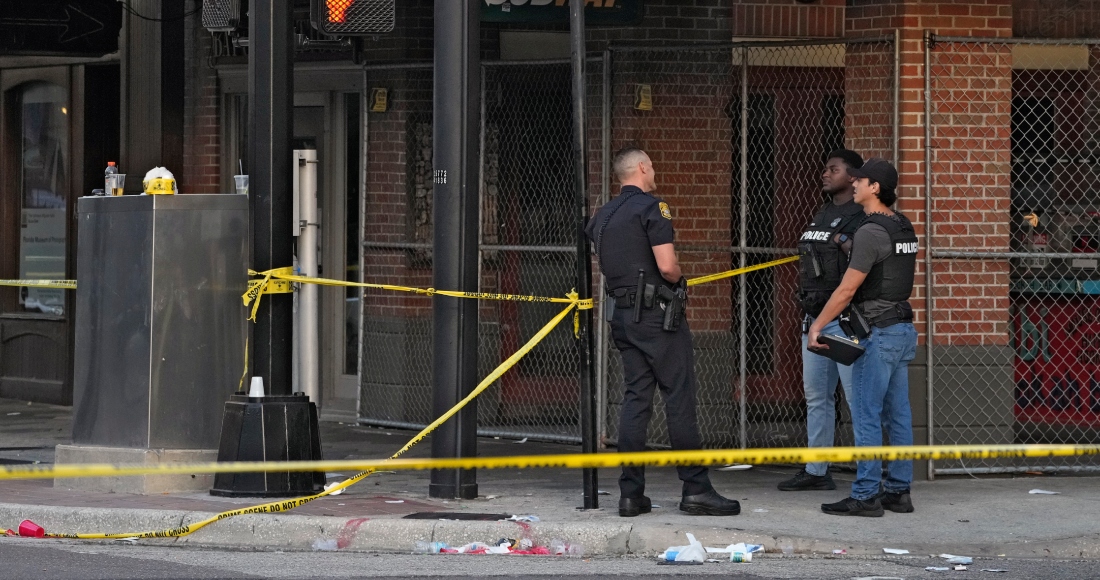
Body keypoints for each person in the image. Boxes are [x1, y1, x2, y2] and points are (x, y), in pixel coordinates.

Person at [585, 147, 740, 518]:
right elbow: (667, 267)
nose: (654, 171)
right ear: (641, 168)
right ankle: (696, 489)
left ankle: (631, 494)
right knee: (679, 398)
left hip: (622, 316)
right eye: (651, 165)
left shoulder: (602, 216)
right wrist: (681, 280)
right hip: (656, 316)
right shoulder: (653, 208)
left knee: (636, 399)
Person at [807, 158, 919, 517]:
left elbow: (846, 289)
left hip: (879, 333)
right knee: (898, 414)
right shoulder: (902, 225)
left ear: (875, 188)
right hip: (902, 330)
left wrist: (817, 325)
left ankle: (867, 493)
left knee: (868, 414)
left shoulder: (871, 231)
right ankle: (899, 491)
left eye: (861, 180)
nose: (853, 183)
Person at [778, 149, 866, 492]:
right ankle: (817, 470)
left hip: (845, 320)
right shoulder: (823, 212)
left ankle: (867, 475)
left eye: (834, 169)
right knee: (817, 397)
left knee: (857, 400)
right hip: (814, 317)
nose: (825, 174)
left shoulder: (861, 216)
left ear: (853, 176)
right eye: (825, 168)